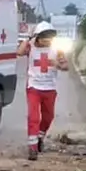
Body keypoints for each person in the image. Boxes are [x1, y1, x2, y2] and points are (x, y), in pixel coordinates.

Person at [16, 21, 68, 160]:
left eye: (50, 38)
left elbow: (66, 66)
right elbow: (19, 52)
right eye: (44, 38)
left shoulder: (58, 49)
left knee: (48, 117)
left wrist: (58, 64)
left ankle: (40, 137)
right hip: (34, 87)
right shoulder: (31, 46)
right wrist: (27, 39)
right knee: (33, 117)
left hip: (50, 88)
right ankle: (32, 148)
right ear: (37, 37)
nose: (47, 41)